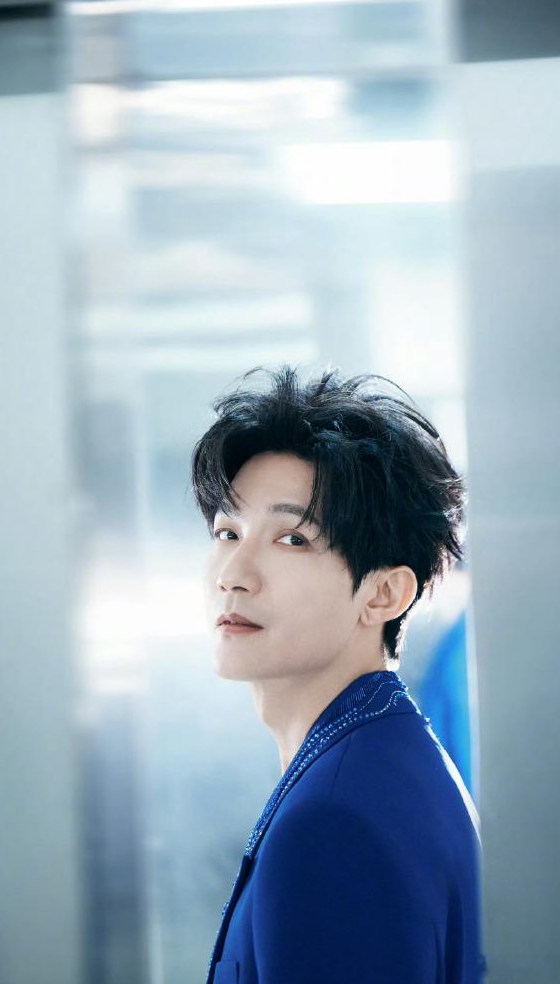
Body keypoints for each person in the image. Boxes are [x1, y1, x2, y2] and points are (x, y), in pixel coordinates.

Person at [191, 363, 488, 984]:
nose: (233, 574)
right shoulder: (381, 760)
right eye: (228, 531)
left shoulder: (332, 824)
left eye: (292, 539)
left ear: (383, 594)